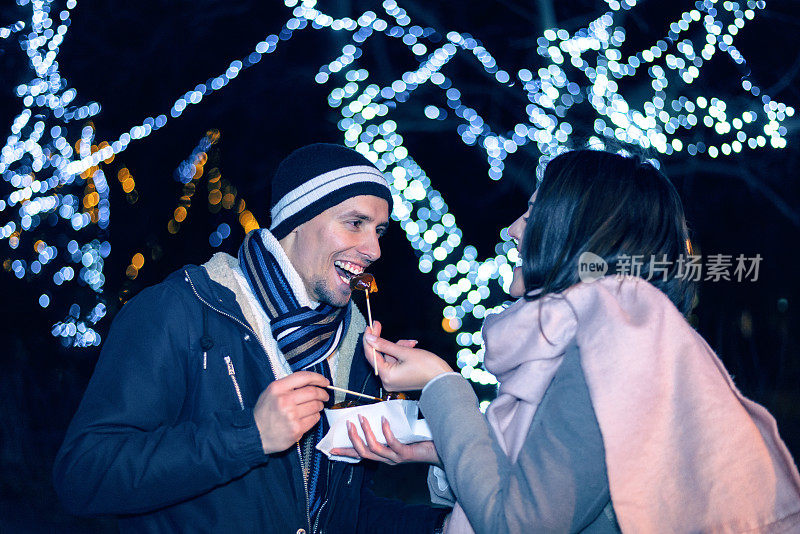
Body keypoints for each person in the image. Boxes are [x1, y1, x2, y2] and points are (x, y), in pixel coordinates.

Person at [335, 150, 800, 533]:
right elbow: (552, 486)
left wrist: (440, 384)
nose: (514, 229)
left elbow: (517, 525)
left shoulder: (617, 349)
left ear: (582, 231)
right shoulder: (594, 335)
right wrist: (447, 450)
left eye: (534, 213)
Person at [53, 143, 448, 533]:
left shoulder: (353, 347)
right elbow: (84, 475)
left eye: (379, 230)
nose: (374, 248)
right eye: (355, 223)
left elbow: (337, 515)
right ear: (298, 218)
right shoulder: (182, 309)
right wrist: (251, 435)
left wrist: (449, 525)